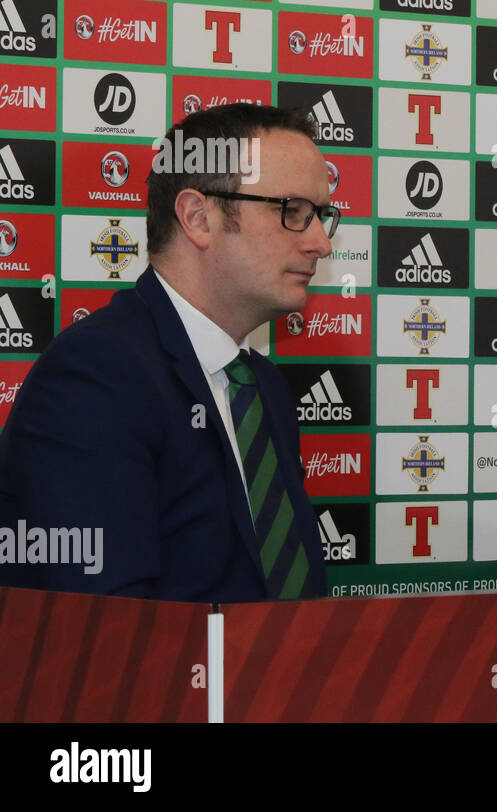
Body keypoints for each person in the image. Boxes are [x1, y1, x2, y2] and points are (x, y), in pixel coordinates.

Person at [0, 104, 338, 602]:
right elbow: (108, 639)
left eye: (322, 216)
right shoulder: (93, 380)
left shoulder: (262, 385)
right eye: (292, 211)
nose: (320, 243)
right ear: (198, 218)